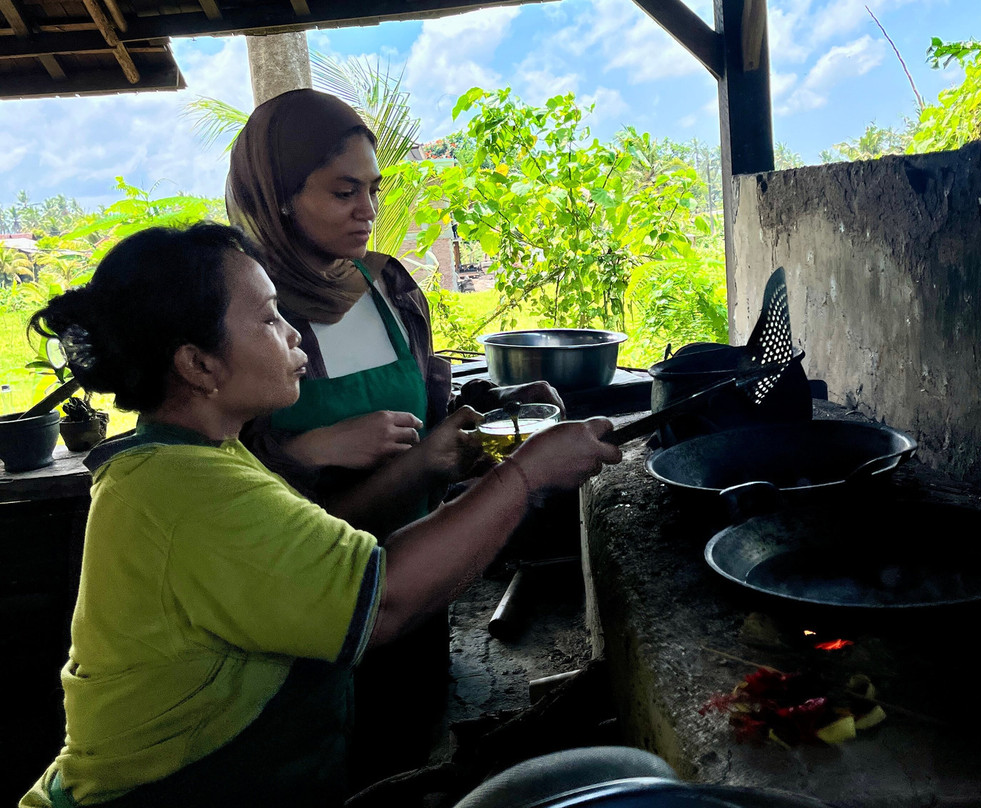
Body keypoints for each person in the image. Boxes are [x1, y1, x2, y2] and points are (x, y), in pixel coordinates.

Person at [19, 224, 620, 808]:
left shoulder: (202, 457)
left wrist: (466, 474)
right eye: (269, 318)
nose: (293, 336)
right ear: (198, 365)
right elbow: (384, 597)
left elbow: (341, 562)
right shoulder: (182, 491)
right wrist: (526, 475)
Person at [225, 88, 562, 780]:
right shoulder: (243, 320)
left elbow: (431, 413)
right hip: (306, 620)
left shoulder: (388, 287)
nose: (368, 212)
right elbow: (220, 479)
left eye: (373, 190)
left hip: (416, 582)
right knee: (327, 771)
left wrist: (493, 408)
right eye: (344, 191)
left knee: (405, 754)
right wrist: (307, 450)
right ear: (277, 194)